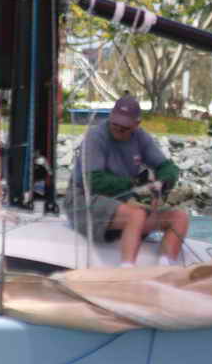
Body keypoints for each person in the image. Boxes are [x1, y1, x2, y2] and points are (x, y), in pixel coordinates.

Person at [64, 95, 188, 267]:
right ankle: (126, 269)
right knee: (136, 215)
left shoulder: (141, 137)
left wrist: (162, 183)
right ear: (110, 117)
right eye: (115, 124)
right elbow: (92, 180)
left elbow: (168, 167)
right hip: (82, 200)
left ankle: (165, 267)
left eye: (124, 127)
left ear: (137, 124)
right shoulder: (95, 137)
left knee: (179, 218)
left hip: (122, 203)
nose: (118, 129)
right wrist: (134, 184)